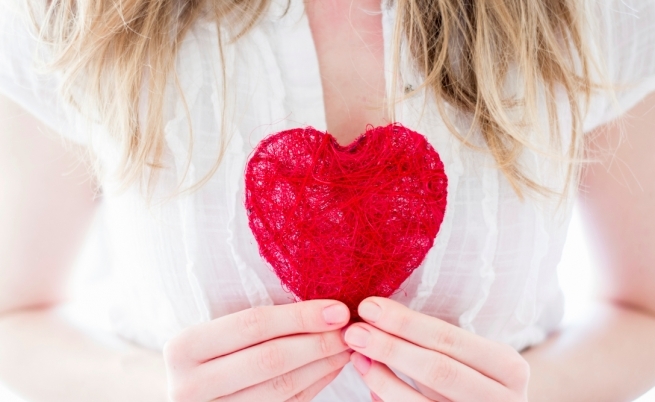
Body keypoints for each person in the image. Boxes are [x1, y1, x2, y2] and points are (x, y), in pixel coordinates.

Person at [1, 0, 655, 400]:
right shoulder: (70, 14)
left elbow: (642, 314)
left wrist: (532, 395)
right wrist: (156, 392)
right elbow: (14, 319)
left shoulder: (598, 14)